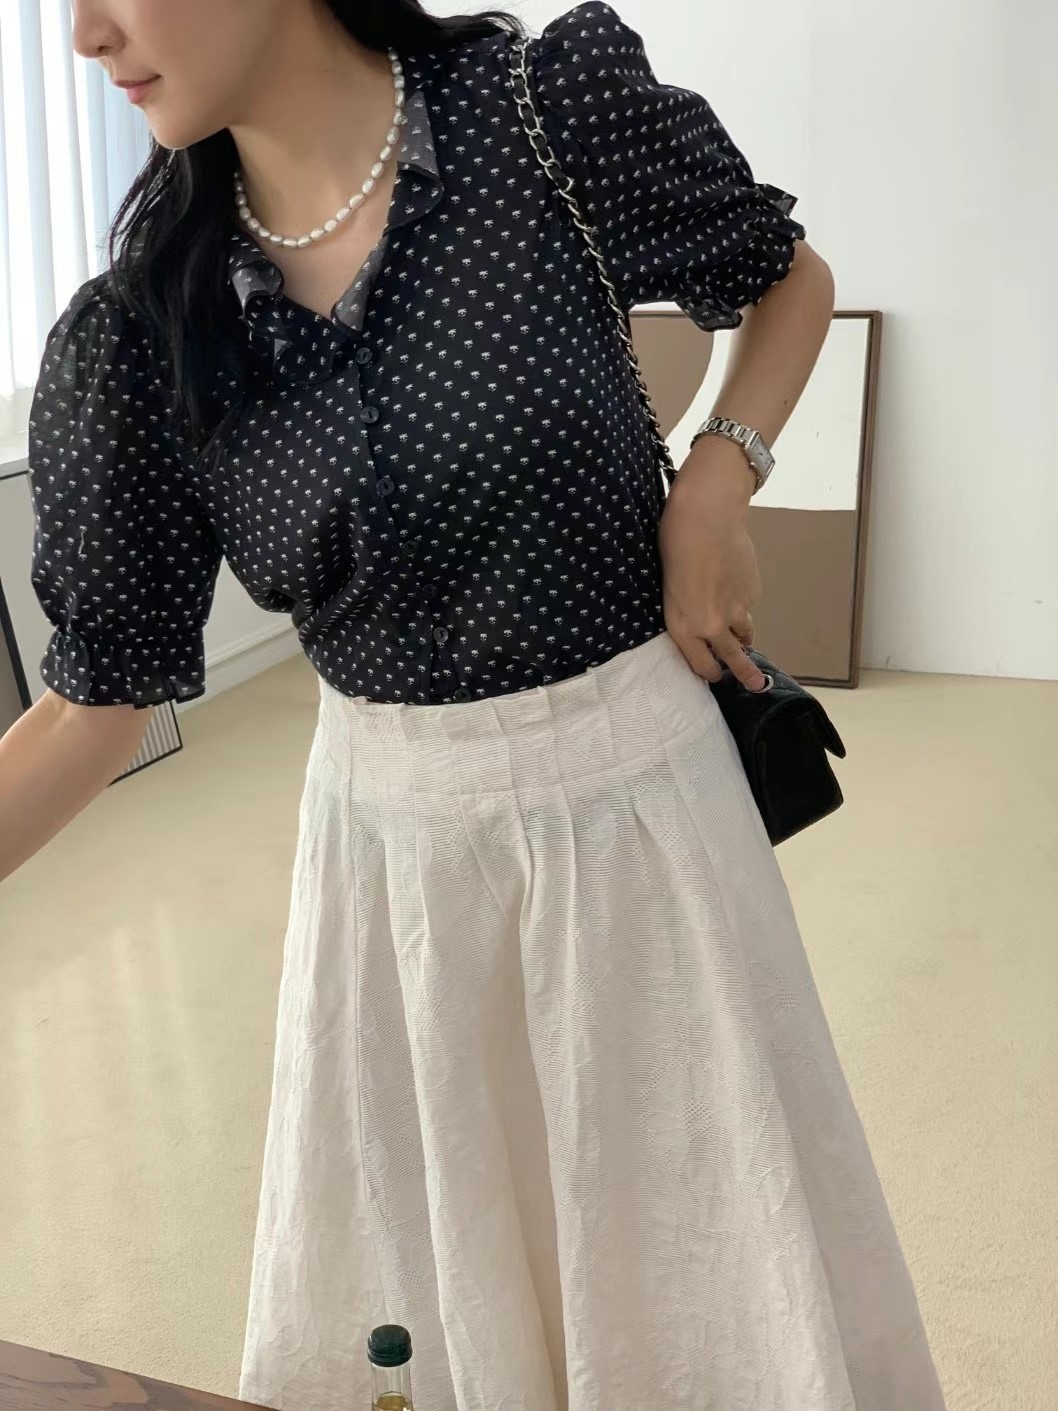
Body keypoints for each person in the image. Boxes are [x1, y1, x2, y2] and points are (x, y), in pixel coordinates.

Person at [0, 0, 947, 1407]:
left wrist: (717, 481)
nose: (84, 34)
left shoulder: (543, 116)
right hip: (391, 871)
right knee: (438, 1301)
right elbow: (94, 704)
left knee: (710, 1267)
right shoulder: (145, 330)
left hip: (644, 818)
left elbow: (785, 279)